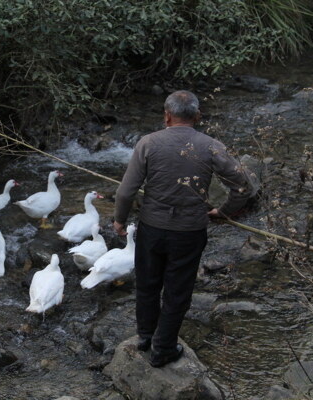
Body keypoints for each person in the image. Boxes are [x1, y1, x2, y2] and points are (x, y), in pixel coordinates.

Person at [113, 90, 251, 368]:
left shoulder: (148, 143)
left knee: (148, 285)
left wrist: (119, 220)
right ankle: (162, 348)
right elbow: (243, 187)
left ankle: (145, 337)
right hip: (189, 232)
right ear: (197, 116)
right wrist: (223, 212)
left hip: (151, 227)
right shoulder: (211, 146)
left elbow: (126, 192)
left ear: (166, 115)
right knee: (177, 292)